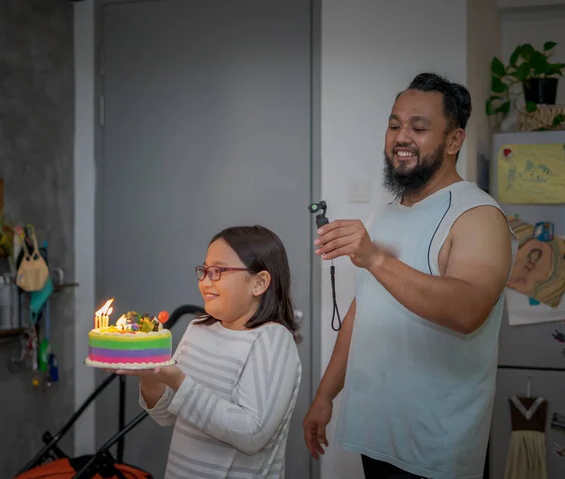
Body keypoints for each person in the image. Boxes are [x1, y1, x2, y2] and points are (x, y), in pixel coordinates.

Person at [303, 72, 518, 479]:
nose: (402, 137)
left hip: (437, 445)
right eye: (394, 125)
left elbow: (469, 309)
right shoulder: (382, 215)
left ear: (454, 141)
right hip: (377, 432)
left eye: (418, 128)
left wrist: (376, 259)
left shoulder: (478, 215)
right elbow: (361, 312)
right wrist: (325, 395)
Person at [115, 225, 302, 479]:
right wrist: (149, 375)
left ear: (259, 283)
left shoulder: (272, 340)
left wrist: (178, 380)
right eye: (204, 270)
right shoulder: (198, 329)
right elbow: (166, 414)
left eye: (218, 271)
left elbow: (251, 434)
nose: (204, 281)